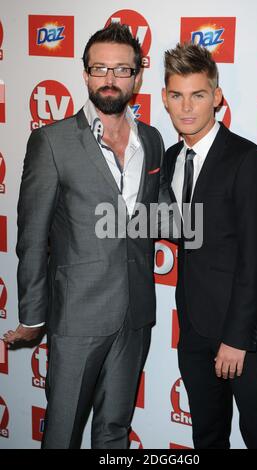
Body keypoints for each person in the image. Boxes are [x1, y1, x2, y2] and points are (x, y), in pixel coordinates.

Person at [3, 23, 167, 449]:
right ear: (86, 74)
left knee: (114, 432)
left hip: (135, 314)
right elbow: (32, 235)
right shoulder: (52, 142)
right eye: (100, 69)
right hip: (77, 315)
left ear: (137, 76)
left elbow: (157, 215)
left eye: (121, 70)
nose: (110, 79)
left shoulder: (151, 140)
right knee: (62, 432)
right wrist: (33, 314)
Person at [161, 43, 257, 449]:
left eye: (198, 94)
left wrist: (237, 339)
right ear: (165, 99)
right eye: (177, 95)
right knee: (207, 435)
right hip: (195, 328)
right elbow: (182, 233)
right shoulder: (169, 158)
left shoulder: (248, 160)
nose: (187, 107)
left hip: (245, 332)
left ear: (216, 97)